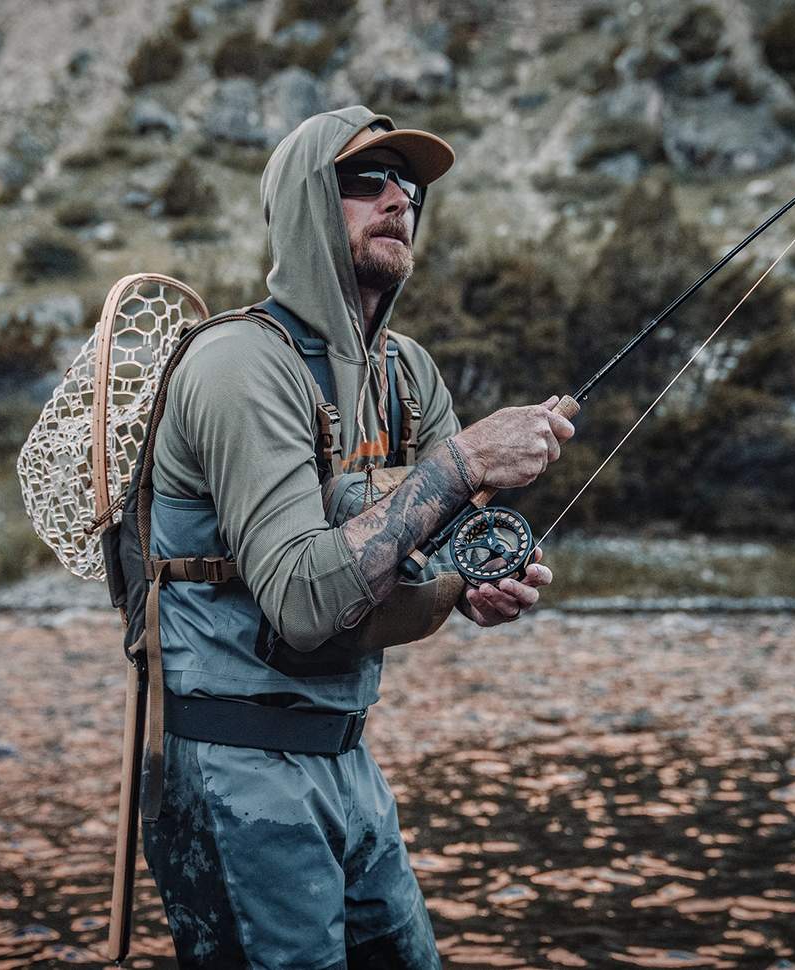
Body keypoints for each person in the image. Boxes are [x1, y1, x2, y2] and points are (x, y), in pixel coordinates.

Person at [128, 105, 574, 968]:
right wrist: (461, 461)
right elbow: (300, 603)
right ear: (303, 202)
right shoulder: (236, 365)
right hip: (232, 769)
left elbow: (450, 538)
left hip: (347, 759)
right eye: (364, 181)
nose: (397, 200)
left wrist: (478, 583)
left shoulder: (408, 372)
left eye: (407, 185)